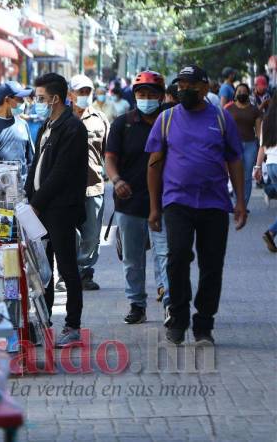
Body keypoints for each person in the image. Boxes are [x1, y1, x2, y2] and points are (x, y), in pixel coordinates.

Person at [147, 65, 246, 345]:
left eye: (190, 85)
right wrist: (154, 207)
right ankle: (178, 317)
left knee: (212, 264)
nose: (184, 90)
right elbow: (154, 166)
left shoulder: (221, 118)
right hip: (177, 202)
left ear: (205, 88)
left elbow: (235, 160)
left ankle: (204, 324)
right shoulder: (166, 119)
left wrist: (240, 201)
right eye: (180, 85)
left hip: (215, 203)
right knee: (177, 257)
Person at [24, 73, 89, 347]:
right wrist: (29, 198)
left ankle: (72, 325)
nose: (36, 103)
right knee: (42, 268)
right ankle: (43, 321)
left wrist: (37, 204)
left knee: (66, 266)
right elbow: (37, 164)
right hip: (41, 208)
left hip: (61, 209)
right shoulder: (46, 126)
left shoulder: (73, 128)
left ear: (55, 98)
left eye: (40, 98)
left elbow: (61, 173)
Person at [105, 70, 170, 324]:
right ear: (135, 96)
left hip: (165, 202)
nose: (146, 98)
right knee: (132, 259)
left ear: (161, 97)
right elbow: (110, 158)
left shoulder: (170, 122)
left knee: (165, 255)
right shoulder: (123, 124)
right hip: (129, 202)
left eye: (151, 94)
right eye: (141, 94)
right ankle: (136, 304)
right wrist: (116, 180)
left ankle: (169, 305)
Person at [67, 74, 109, 291]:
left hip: (93, 186)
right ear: (70, 94)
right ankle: (68, 274)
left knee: (92, 235)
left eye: (87, 92)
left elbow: (109, 153)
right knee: (69, 234)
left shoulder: (100, 119)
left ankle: (85, 273)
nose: (84, 96)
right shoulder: (61, 118)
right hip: (65, 189)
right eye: (80, 92)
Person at [0, 81, 33, 180]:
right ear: (7, 99)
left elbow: (31, 161)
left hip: (22, 191)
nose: (23, 102)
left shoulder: (23, 124)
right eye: (19, 99)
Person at [225, 83, 262, 208]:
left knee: (246, 177)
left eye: (244, 91)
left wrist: (261, 148)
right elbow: (225, 130)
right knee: (236, 175)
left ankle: (243, 205)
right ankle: (237, 203)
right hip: (234, 145)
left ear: (248, 94)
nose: (241, 93)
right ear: (235, 94)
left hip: (250, 145)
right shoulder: (228, 109)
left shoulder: (254, 110)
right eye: (239, 91)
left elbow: (258, 132)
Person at [254, 98, 277, 252]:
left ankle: (272, 233)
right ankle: (271, 232)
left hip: (271, 165)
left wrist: (258, 167)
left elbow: (262, 146)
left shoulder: (267, 120)